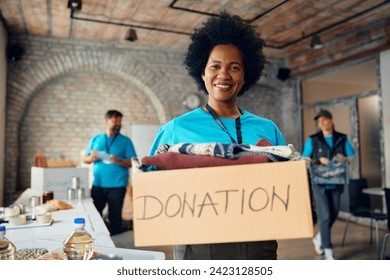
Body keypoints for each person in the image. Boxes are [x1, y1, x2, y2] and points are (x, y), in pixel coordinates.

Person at [148, 12, 286, 260]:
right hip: (201, 245)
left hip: (259, 243)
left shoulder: (267, 128)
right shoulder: (175, 129)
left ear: (245, 77)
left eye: (235, 67)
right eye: (215, 66)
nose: (224, 74)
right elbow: (153, 190)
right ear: (202, 72)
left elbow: (284, 184)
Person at [302, 109, 355, 260]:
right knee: (325, 216)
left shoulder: (342, 138)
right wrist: (318, 160)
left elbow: (351, 157)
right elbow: (304, 158)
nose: (323, 123)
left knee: (334, 214)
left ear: (331, 120)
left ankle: (319, 237)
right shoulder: (313, 139)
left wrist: (343, 160)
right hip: (320, 184)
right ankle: (328, 251)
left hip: (337, 182)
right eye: (320, 121)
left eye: (325, 120)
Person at [82, 110, 137, 235]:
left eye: (120, 121)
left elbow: (133, 162)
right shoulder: (96, 139)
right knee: (95, 216)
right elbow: (84, 158)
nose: (118, 124)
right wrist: (91, 158)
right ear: (106, 121)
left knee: (115, 218)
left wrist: (119, 160)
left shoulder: (126, 141)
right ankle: (96, 238)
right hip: (98, 185)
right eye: (115, 121)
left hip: (117, 186)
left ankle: (114, 245)